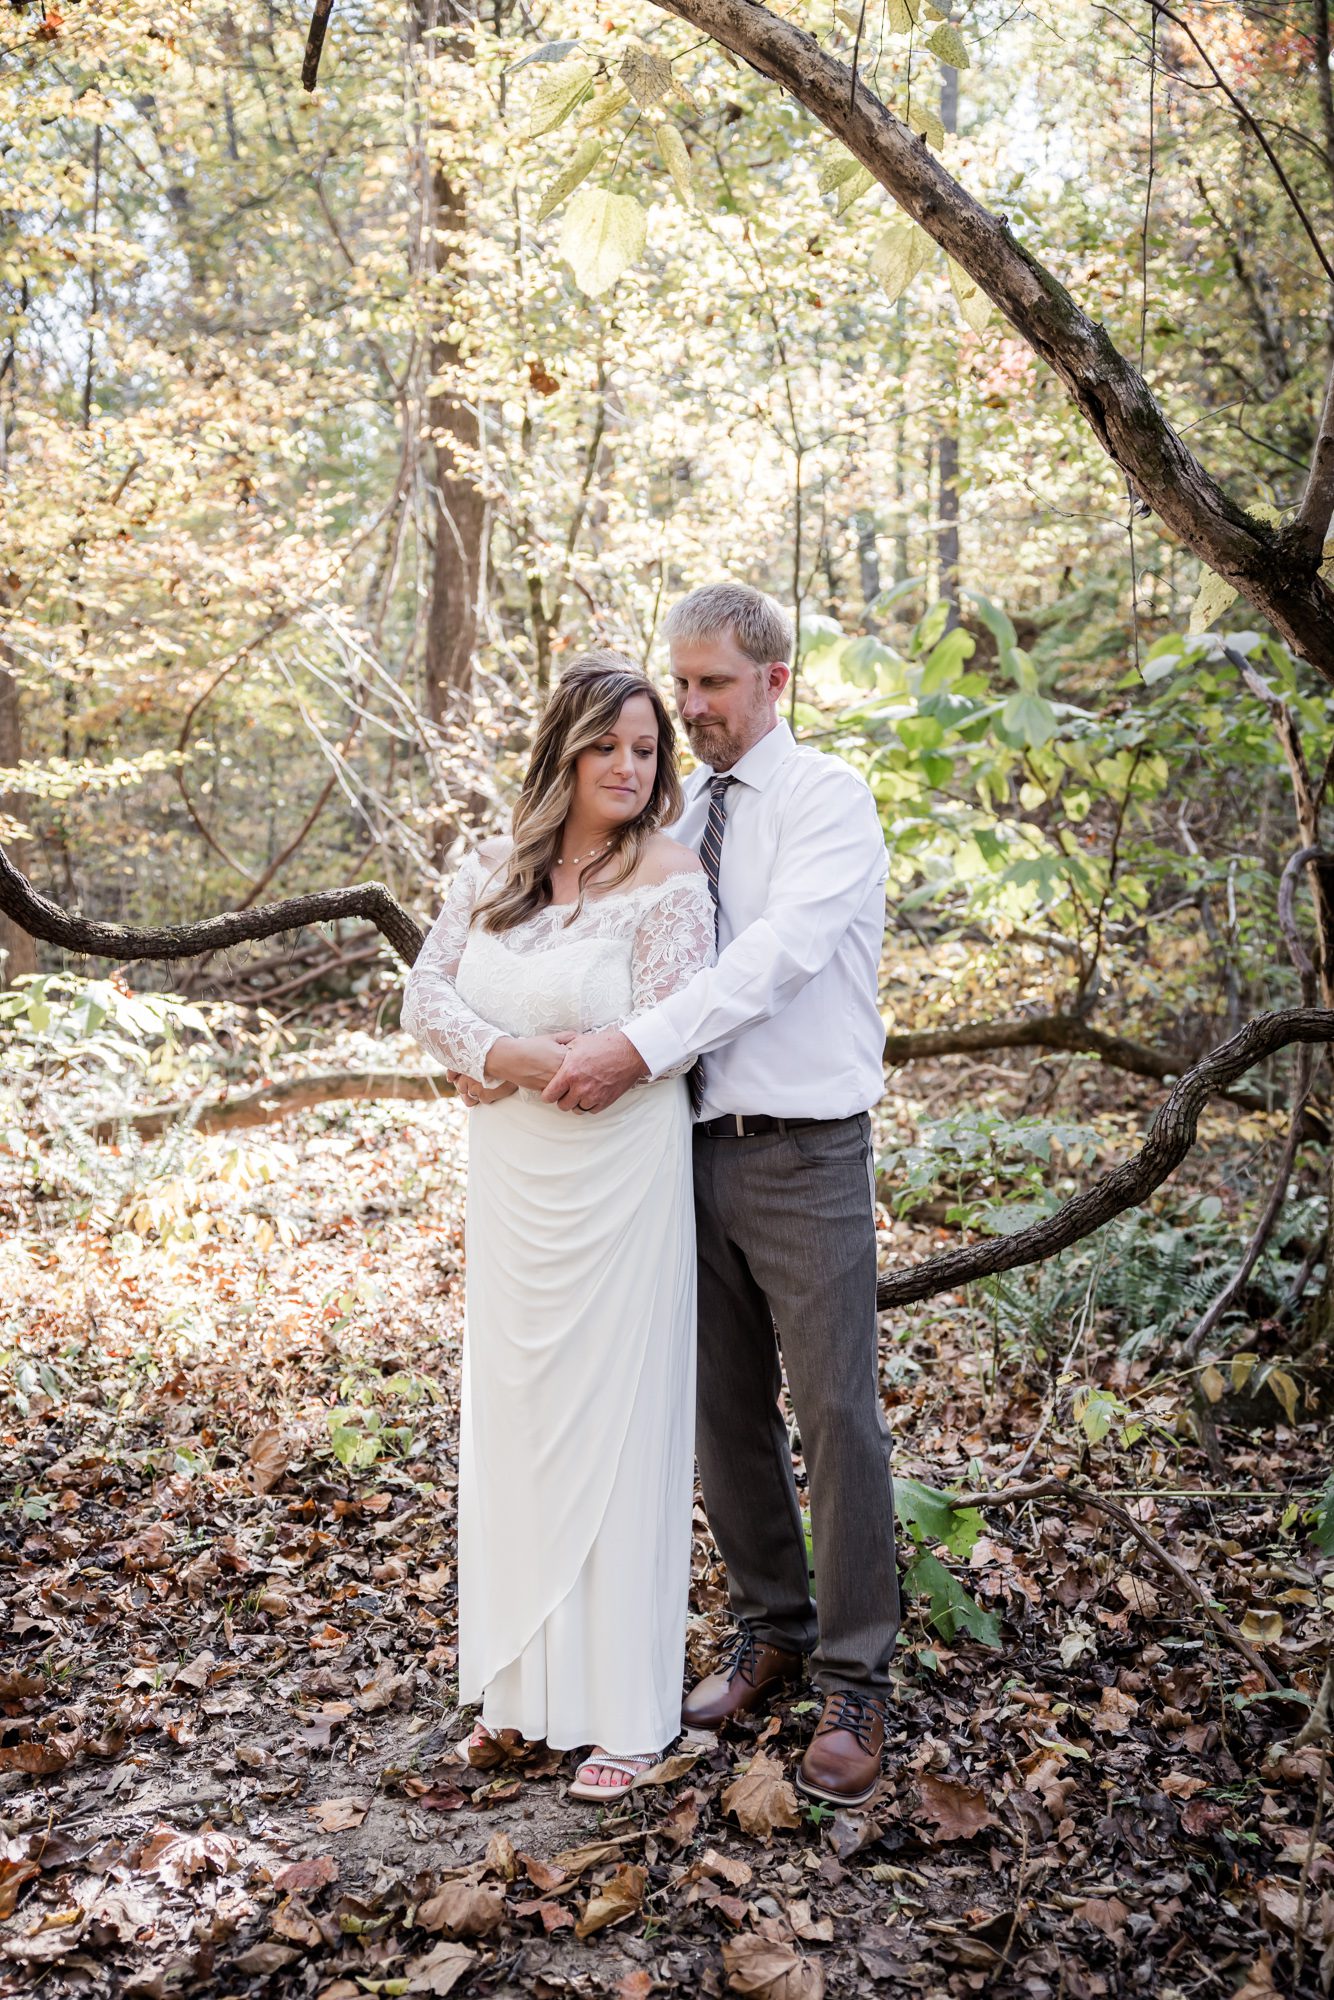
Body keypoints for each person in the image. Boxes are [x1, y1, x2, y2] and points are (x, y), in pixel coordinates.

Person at [537, 582, 901, 1809]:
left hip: (803, 1152)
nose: (687, 706)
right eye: (678, 683)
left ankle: (855, 1678)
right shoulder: (674, 806)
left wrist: (634, 1042)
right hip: (681, 1152)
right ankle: (771, 1627)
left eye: (712, 685)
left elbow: (775, 958)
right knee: (721, 1411)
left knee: (836, 1414)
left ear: (774, 682)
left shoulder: (826, 802)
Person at [400, 653, 714, 1801]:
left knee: (615, 1429)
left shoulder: (671, 874)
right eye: (607, 748)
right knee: (520, 1426)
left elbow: (671, 1027)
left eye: (645, 749)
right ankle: (523, 1695)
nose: (629, 767)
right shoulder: (494, 868)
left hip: (618, 1178)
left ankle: (628, 1712)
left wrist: (534, 1058)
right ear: (563, 753)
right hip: (512, 1180)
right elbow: (426, 993)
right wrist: (497, 1054)